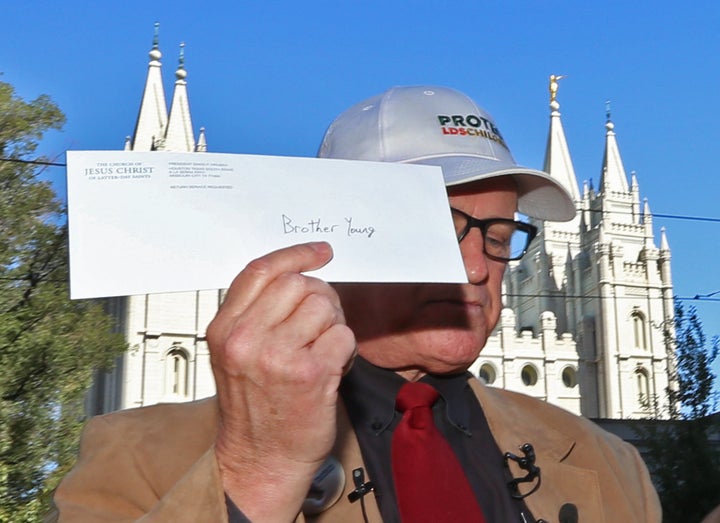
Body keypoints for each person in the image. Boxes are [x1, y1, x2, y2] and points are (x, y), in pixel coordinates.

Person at [50, 86, 661, 522]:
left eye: (499, 239)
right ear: (331, 237)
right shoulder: (133, 456)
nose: (477, 268)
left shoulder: (610, 465)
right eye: (438, 229)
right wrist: (256, 476)